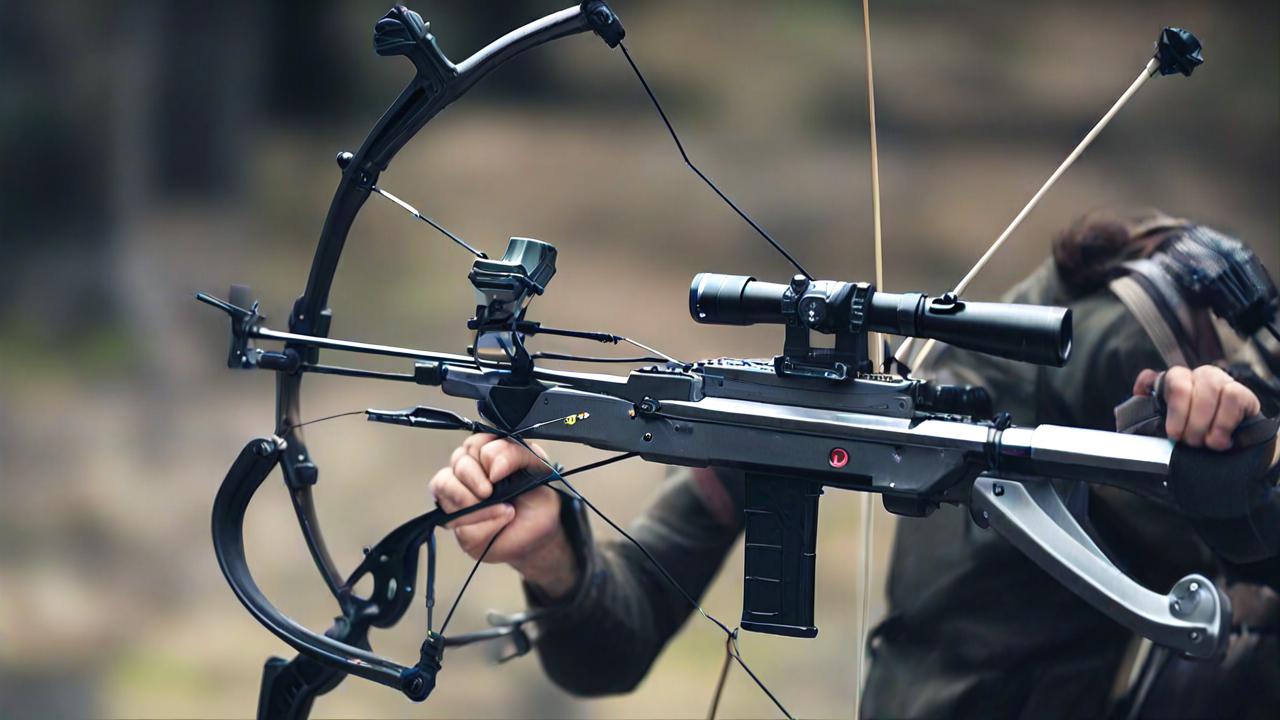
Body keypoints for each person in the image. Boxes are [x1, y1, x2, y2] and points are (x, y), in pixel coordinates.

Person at [427, 210, 1280, 715]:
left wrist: (1230, 444)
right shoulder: (906, 387)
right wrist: (547, 553)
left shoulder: (1156, 368)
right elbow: (611, 649)